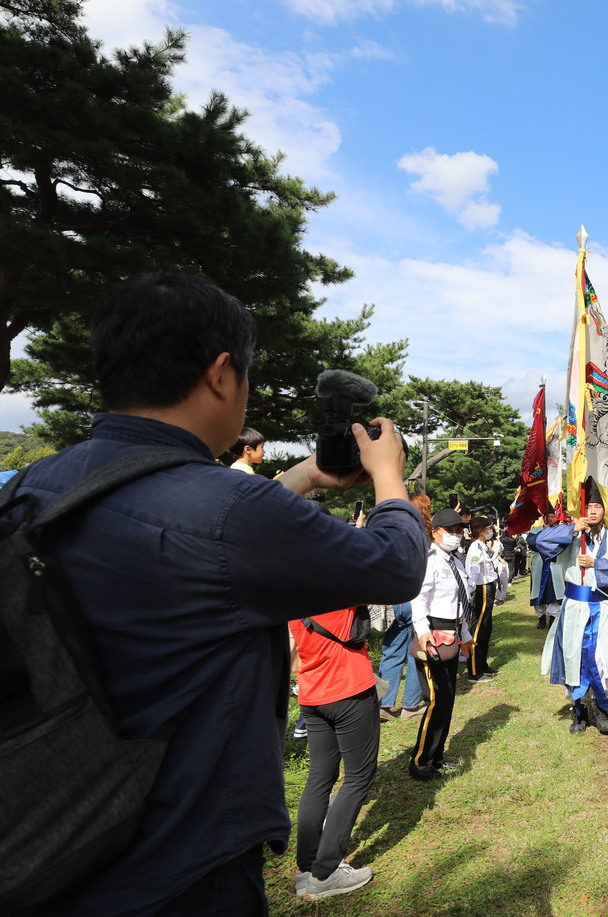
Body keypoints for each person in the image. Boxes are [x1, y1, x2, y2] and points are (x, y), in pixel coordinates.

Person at [4, 271, 426, 915]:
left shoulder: (32, 486)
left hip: (51, 837)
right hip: (181, 861)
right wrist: (389, 480)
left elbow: (199, 529)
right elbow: (395, 566)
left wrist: (304, 477)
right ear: (222, 373)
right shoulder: (231, 507)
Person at [291, 605, 379, 900]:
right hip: (348, 689)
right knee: (358, 778)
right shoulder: (336, 586)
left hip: (312, 692)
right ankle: (326, 872)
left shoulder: (289, 592)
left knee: (319, 777)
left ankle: (307, 869)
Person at [536, 477, 608, 735]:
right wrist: (570, 530)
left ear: (604, 511)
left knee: (603, 659)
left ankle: (601, 709)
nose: (592, 511)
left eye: (597, 507)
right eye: (588, 507)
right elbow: (539, 543)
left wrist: (595, 564)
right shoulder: (570, 535)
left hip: (600, 607)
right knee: (574, 658)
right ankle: (579, 711)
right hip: (574, 608)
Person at [409, 507, 473, 780]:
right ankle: (420, 761)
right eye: (450, 531)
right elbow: (418, 599)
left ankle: (436, 757)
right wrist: (423, 632)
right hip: (433, 637)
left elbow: (462, 603)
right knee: (436, 700)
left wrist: (467, 637)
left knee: (447, 701)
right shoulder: (430, 559)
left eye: (459, 531)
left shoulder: (456, 561)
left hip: (452, 635)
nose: (456, 536)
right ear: (435, 532)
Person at [378, 493, 432, 720]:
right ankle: (410, 705)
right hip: (415, 596)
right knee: (414, 651)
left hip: (393, 597)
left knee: (391, 651)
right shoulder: (425, 536)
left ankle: (383, 704)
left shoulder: (394, 532)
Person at [463, 515, 501, 681]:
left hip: (488, 587)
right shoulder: (476, 548)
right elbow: (474, 572)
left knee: (486, 628)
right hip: (481, 589)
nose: (490, 531)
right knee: (478, 629)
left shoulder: (482, 546)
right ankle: (473, 670)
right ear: (480, 530)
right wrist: (470, 590)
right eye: (488, 528)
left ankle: (482, 664)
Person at [528, 510, 567, 629]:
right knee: (538, 592)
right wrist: (542, 534)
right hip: (540, 565)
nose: (550, 519)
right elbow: (531, 544)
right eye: (548, 516)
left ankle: (553, 619)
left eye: (552, 516)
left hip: (555, 565)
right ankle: (541, 618)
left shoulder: (559, 530)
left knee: (554, 592)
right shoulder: (535, 530)